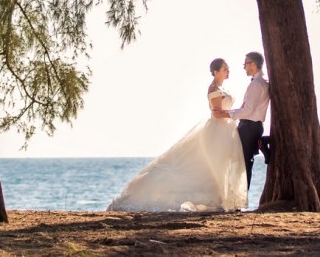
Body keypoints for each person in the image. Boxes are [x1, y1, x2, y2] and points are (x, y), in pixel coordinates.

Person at [107, 58, 248, 212]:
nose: (228, 71)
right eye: (225, 69)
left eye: (228, 68)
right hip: (217, 131)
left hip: (226, 131)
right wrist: (237, 114)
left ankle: (222, 198)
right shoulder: (214, 89)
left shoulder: (221, 88)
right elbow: (217, 113)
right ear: (216, 72)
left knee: (221, 166)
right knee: (211, 166)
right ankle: (213, 198)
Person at [219, 51, 269, 188]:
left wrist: (225, 114)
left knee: (244, 163)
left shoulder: (257, 84)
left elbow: (248, 111)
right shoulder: (260, 82)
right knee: (241, 162)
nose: (244, 67)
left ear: (253, 65)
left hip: (250, 127)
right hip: (250, 126)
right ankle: (237, 199)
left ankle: (238, 201)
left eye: (245, 64)